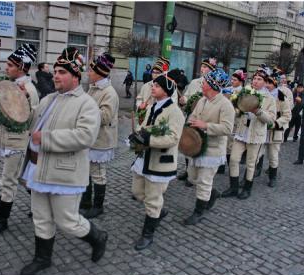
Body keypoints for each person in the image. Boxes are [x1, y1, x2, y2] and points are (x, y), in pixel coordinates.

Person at [19, 47, 106, 275]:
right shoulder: (49, 99)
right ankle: (42, 258)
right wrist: (21, 101)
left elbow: (85, 136)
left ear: (75, 76)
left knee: (67, 221)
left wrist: (46, 138)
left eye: (62, 72)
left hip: (65, 173)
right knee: (41, 218)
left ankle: (98, 237)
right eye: (55, 71)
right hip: (38, 169)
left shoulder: (87, 104)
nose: (56, 75)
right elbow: (31, 119)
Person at [0, 44, 40, 238]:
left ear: (22, 67)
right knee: (24, 179)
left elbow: (30, 120)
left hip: (18, 142)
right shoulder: (12, 85)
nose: (6, 68)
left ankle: (1, 220)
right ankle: (41, 208)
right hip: (12, 139)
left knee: (9, 180)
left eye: (10, 65)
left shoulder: (29, 90)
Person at [128, 68, 185, 251]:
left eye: (157, 85)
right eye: (153, 84)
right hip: (144, 158)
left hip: (160, 161)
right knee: (137, 192)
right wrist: (136, 137)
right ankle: (158, 211)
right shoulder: (153, 106)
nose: (153, 87)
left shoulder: (174, 112)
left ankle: (148, 234)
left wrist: (149, 140)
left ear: (167, 90)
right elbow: (144, 127)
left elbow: (173, 138)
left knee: (153, 199)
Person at [181, 69, 236, 225]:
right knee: (192, 177)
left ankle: (199, 212)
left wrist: (206, 126)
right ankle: (212, 193)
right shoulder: (202, 100)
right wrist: (190, 124)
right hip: (197, 146)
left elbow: (227, 129)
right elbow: (193, 116)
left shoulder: (226, 105)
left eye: (204, 82)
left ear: (211, 85)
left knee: (204, 181)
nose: (202, 84)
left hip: (212, 149)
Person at [222, 67, 276, 200]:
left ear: (265, 82)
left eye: (259, 79)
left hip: (255, 136)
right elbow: (237, 111)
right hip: (241, 132)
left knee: (251, 164)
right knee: (234, 159)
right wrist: (236, 108)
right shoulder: (245, 92)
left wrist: (257, 111)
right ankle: (233, 187)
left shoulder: (269, 98)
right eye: (254, 79)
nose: (256, 81)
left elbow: (270, 121)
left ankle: (247, 188)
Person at [81, 53, 118, 220]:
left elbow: (105, 117)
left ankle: (98, 206)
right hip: (90, 138)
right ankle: (85, 202)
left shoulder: (109, 92)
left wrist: (85, 112)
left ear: (100, 72)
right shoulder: (93, 87)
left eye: (91, 69)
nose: (88, 72)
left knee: (98, 173)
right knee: (86, 171)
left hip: (101, 139)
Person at [261, 69, 293, 188]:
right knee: (258, 152)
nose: (267, 85)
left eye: (270, 83)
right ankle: (255, 171)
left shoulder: (281, 97)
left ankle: (273, 177)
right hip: (262, 128)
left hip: (276, 129)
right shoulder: (261, 95)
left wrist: (275, 123)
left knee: (273, 154)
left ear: (275, 84)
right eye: (266, 82)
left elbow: (287, 116)